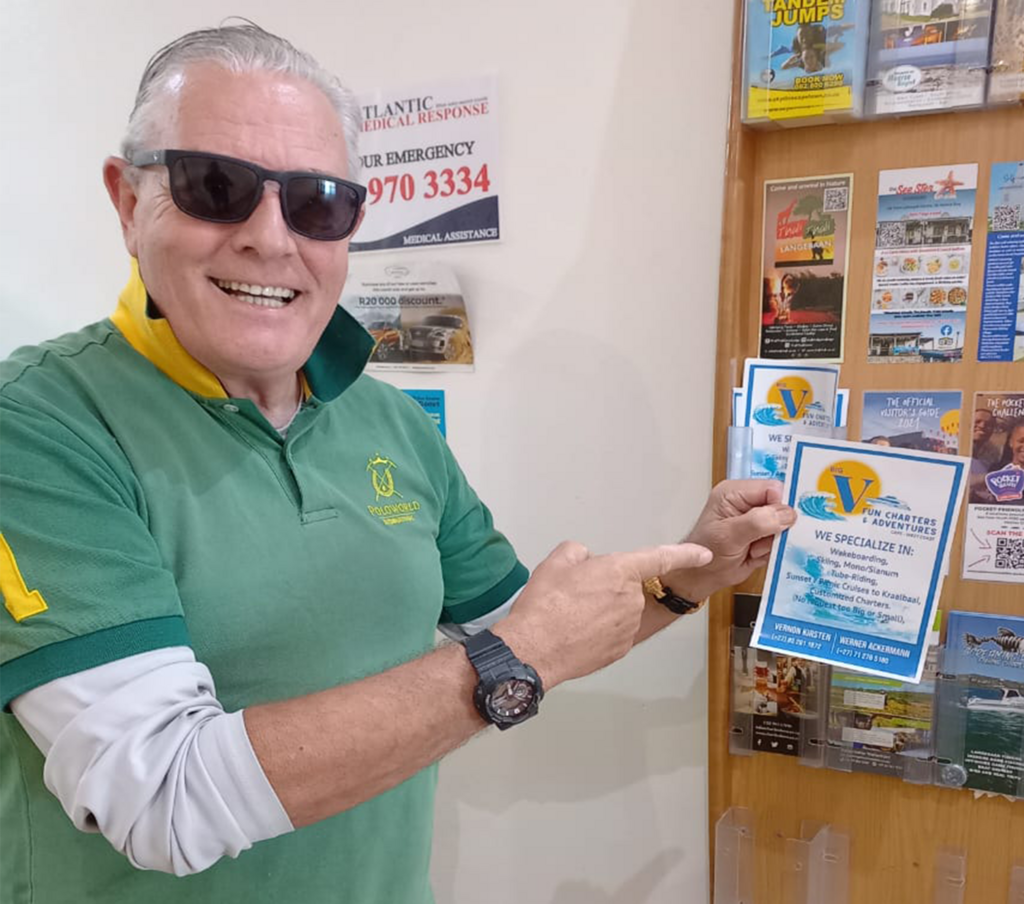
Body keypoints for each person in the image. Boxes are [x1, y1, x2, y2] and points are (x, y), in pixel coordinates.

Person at [0, 24, 795, 904]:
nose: (271, 238)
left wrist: (693, 574)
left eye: (318, 203)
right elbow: (158, 795)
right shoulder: (36, 426)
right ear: (127, 202)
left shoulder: (391, 423)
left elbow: (528, 626)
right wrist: (517, 657)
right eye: (214, 187)